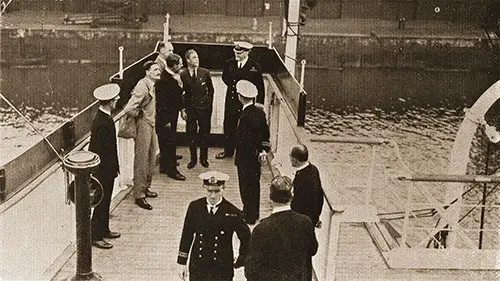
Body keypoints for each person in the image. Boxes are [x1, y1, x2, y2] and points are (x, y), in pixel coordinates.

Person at [177, 171, 250, 281]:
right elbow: (187, 235)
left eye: (217, 191)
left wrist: (242, 258)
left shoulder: (232, 212)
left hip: (222, 268)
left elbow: (246, 237)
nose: (213, 196)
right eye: (209, 191)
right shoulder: (195, 207)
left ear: (223, 188)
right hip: (199, 265)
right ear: (204, 187)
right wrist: (182, 262)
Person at [245, 176, 318, 281]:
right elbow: (313, 250)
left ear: (271, 197)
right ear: (292, 196)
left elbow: (251, 269)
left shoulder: (262, 228)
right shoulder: (305, 222)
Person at [216, 41, 265, 160]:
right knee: (229, 125)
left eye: (240, 52)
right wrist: (236, 89)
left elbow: (260, 86)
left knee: (247, 127)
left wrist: (259, 104)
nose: (237, 54)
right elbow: (225, 77)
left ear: (247, 52)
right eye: (236, 52)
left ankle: (245, 151)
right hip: (232, 99)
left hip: (247, 103)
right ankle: (228, 151)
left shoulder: (254, 67)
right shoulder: (230, 63)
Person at [123, 61, 160, 210]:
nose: (158, 71)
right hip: (143, 124)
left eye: (158, 69)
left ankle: (145, 187)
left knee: (151, 157)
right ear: (147, 72)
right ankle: (138, 195)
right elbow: (128, 109)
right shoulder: (142, 86)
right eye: (155, 70)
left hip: (151, 123)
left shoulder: (151, 84)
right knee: (141, 159)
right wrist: (141, 115)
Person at [89, 83, 121, 249]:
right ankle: (96, 236)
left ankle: (104, 229)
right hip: (102, 170)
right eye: (116, 99)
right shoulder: (102, 122)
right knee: (101, 201)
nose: (118, 100)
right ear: (110, 102)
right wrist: (104, 171)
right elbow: (99, 150)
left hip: (108, 168)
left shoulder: (105, 117)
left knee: (106, 199)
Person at [234, 80, 270, 224]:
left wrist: (254, 152)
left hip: (246, 158)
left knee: (245, 186)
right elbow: (265, 134)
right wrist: (263, 151)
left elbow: (245, 141)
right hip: (256, 158)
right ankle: (254, 213)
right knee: (255, 185)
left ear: (240, 97)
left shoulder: (244, 116)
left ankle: (248, 215)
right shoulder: (259, 113)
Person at [180, 49, 214, 169]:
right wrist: (183, 109)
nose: (197, 60)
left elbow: (211, 90)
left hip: (204, 108)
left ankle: (203, 159)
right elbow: (180, 93)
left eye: (197, 57)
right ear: (188, 60)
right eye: (194, 58)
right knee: (191, 133)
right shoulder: (182, 74)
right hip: (190, 109)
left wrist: (208, 104)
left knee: (205, 133)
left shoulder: (205, 73)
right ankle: (193, 159)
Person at [155, 53, 187, 180]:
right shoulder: (164, 80)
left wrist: (181, 109)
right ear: (174, 65)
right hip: (166, 119)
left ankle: (164, 165)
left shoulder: (171, 76)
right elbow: (161, 102)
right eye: (180, 63)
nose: (182, 65)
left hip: (170, 116)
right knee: (169, 143)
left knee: (166, 142)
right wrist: (166, 120)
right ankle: (172, 170)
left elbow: (176, 97)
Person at [289, 144, 324, 228]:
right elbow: (320, 196)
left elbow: (313, 201)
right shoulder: (313, 169)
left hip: (302, 221)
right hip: (306, 219)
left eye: (290, 157)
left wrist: (313, 219)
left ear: (295, 160)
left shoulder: (305, 178)